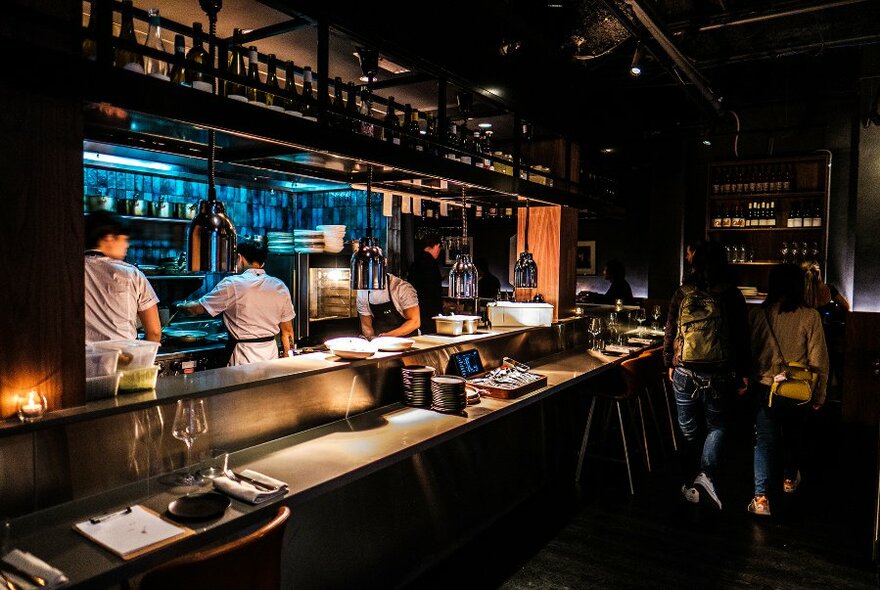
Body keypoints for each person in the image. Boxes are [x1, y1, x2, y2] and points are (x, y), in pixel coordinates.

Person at [663, 239, 750, 510]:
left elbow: (670, 330)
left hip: (684, 371)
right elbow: (741, 337)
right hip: (719, 373)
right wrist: (743, 372)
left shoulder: (682, 292)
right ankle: (706, 475)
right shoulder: (731, 294)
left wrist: (669, 361)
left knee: (688, 426)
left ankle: (692, 477)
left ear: (694, 262)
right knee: (718, 425)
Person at [747, 263, 829, 517]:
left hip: (766, 387)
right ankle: (789, 480)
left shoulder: (759, 314)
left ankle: (761, 499)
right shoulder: (810, 316)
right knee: (793, 437)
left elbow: (752, 354)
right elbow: (819, 360)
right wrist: (820, 394)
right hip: (798, 391)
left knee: (764, 442)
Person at [179, 240, 294, 366]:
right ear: (263, 262)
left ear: (240, 258)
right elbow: (287, 332)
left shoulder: (232, 284)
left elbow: (197, 309)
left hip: (243, 356)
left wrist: (179, 306)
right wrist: (288, 358)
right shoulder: (280, 286)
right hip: (271, 356)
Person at [85, 210, 161, 343]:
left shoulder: (67, 271)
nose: (127, 245)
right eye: (124, 239)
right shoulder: (131, 274)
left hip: (81, 361)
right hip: (124, 360)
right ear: (108, 238)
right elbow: (154, 332)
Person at [357, 273, 420, 338]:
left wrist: (388, 336)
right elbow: (366, 325)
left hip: (408, 339)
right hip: (381, 339)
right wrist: (371, 340)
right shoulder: (362, 292)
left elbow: (414, 322)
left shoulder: (401, 288)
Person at [406, 235, 443, 334]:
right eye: (439, 249)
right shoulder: (431, 262)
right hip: (430, 309)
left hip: (416, 307)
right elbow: (433, 290)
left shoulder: (416, 262)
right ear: (436, 246)